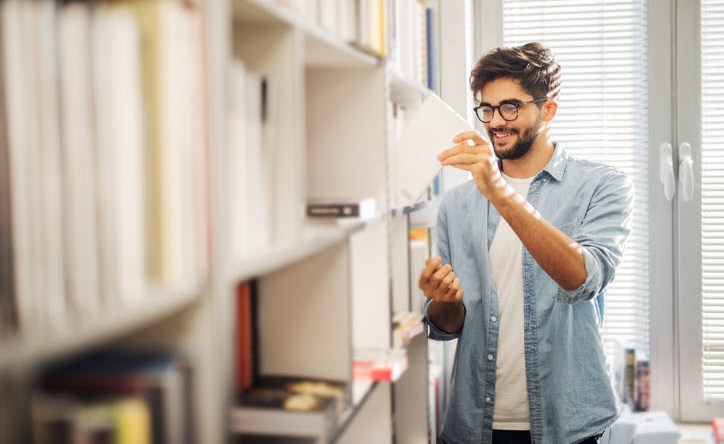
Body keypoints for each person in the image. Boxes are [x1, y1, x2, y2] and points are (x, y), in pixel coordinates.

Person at [419, 42, 634, 444]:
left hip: (569, 425)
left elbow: (583, 278)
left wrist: (498, 190)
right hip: (474, 425)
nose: (495, 122)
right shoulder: (456, 204)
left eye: (510, 107)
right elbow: (447, 326)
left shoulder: (602, 185)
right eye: (487, 108)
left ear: (547, 110)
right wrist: (443, 299)